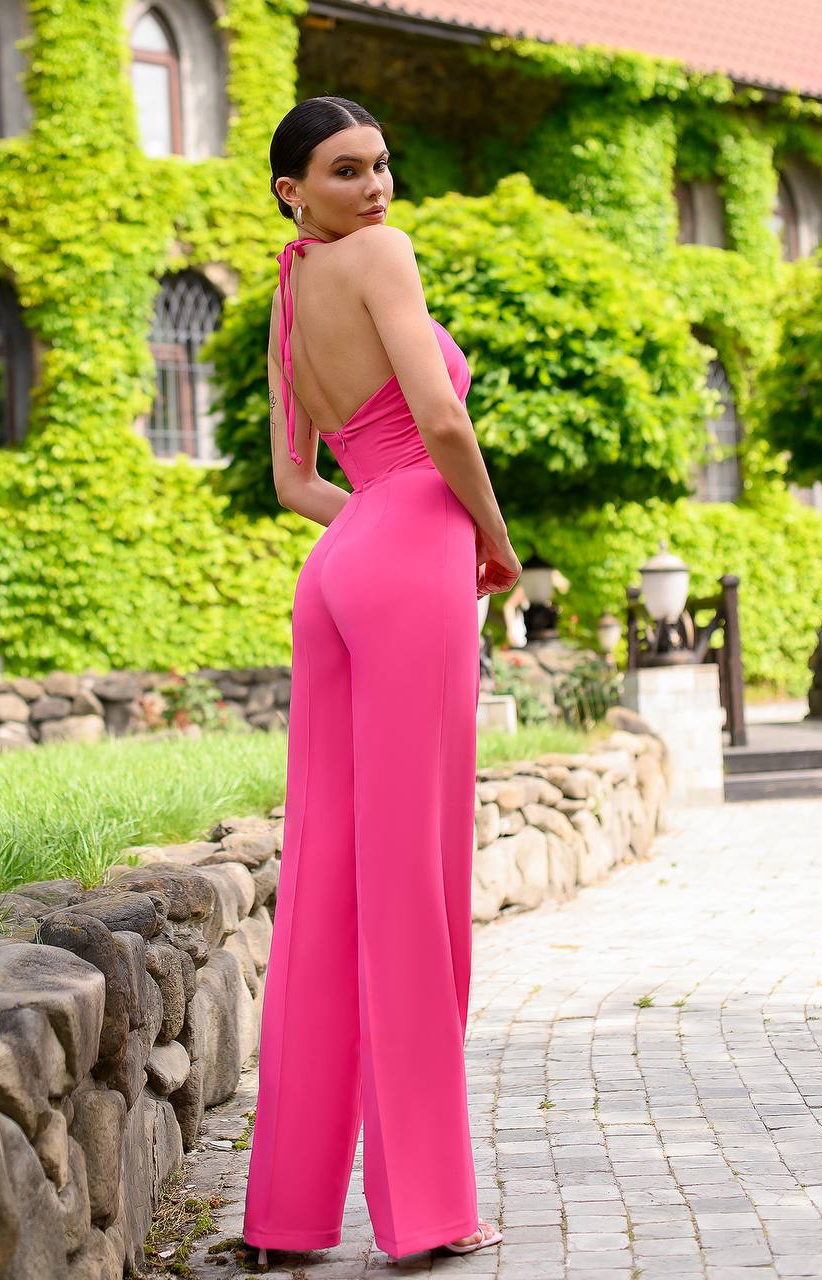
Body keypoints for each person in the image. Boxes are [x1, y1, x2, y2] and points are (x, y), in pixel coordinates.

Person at [242, 96, 522, 1268]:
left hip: (340, 563)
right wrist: (490, 543)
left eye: (382, 166)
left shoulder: (288, 294)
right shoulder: (381, 257)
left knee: (324, 879)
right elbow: (444, 418)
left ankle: (286, 1219)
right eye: (345, 169)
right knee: (411, 881)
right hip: (413, 558)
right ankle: (426, 1214)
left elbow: (293, 483)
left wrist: (375, 525)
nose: (375, 186)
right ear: (290, 191)